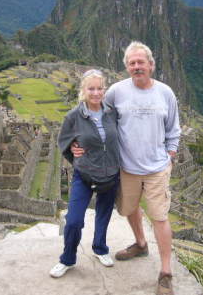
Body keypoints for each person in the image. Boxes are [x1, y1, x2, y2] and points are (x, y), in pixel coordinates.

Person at [72, 41, 181, 295]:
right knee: (129, 209)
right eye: (131, 63)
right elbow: (92, 111)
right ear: (126, 67)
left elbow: (173, 129)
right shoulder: (117, 92)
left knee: (160, 217)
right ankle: (141, 244)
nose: (136, 67)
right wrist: (75, 141)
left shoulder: (165, 93)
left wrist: (170, 155)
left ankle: (165, 272)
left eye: (140, 62)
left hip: (156, 169)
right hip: (127, 168)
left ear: (151, 65)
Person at [49, 69, 120, 278]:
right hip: (85, 175)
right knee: (73, 220)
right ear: (83, 90)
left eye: (99, 88)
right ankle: (67, 259)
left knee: (104, 215)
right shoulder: (73, 117)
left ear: (104, 90)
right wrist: (75, 154)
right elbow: (63, 142)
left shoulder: (112, 112)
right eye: (91, 88)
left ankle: (100, 248)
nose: (96, 93)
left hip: (111, 175)